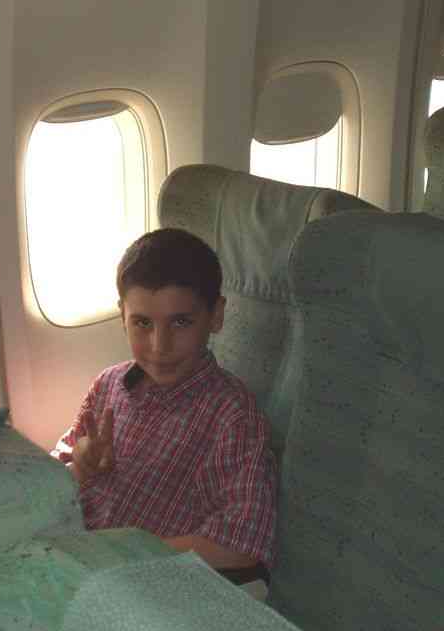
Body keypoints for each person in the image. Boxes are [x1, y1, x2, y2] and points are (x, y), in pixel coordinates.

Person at [53, 228, 276, 580]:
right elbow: (52, 480)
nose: (160, 346)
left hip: (140, 577)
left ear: (215, 316)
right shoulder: (108, 385)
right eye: (142, 323)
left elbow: (241, 545)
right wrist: (81, 465)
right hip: (74, 549)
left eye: (181, 322)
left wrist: (119, 555)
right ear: (122, 317)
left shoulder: (231, 416)